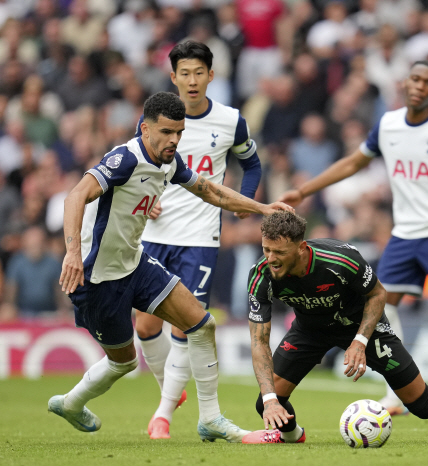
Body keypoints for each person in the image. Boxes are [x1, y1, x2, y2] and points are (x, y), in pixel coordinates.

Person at [47, 91, 292, 441]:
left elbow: (210, 190)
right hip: (97, 277)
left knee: (203, 326)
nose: (174, 140)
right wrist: (72, 253)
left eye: (178, 132)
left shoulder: (169, 162)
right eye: (166, 132)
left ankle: (210, 418)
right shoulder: (125, 160)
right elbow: (75, 196)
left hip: (134, 263)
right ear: (145, 129)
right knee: (124, 362)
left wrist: (262, 208)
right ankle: (71, 403)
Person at [278, 60, 428, 419]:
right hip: (403, 235)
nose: (419, 85)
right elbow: (352, 163)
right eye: (415, 78)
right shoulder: (388, 124)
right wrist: (303, 190)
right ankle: (395, 391)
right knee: (383, 307)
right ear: (405, 83)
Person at [241, 211, 428, 444]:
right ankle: (292, 435)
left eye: (279, 252)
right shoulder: (261, 275)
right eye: (266, 249)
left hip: (362, 326)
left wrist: (359, 341)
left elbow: (378, 295)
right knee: (266, 400)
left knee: (423, 405)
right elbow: (259, 341)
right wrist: (271, 401)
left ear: (301, 248)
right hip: (310, 330)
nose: (271, 259)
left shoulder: (340, 259)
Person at [132, 41, 263, 440]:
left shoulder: (230, 121)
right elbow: (136, 167)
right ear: (173, 77)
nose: (191, 80)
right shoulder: (156, 117)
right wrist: (145, 199)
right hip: (153, 235)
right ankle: (170, 393)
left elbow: (252, 164)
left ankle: (162, 416)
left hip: (200, 239)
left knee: (188, 328)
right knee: (144, 324)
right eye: (183, 73)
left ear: (211, 75)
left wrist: (246, 200)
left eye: (198, 72)